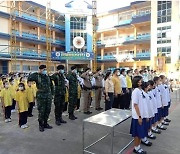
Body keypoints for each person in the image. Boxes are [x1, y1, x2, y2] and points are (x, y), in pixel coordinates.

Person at [28, 65, 53, 132]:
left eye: (45, 69)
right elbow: (29, 78)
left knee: (48, 110)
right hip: (41, 96)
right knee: (41, 111)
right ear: (40, 70)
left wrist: (52, 94)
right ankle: (41, 125)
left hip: (48, 95)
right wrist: (38, 73)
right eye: (43, 69)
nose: (45, 70)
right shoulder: (37, 76)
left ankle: (45, 123)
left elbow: (51, 85)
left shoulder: (47, 76)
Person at [130, 76, 148, 154]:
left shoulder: (140, 90)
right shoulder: (136, 91)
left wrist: (146, 115)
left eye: (141, 81)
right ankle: (136, 148)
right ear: (136, 82)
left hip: (142, 115)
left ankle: (138, 146)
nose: (141, 82)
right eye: (139, 81)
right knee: (137, 133)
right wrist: (139, 117)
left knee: (141, 133)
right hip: (138, 116)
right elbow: (135, 105)